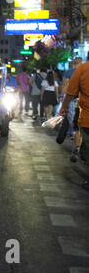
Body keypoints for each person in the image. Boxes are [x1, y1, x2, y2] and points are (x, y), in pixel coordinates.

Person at [60, 60, 89, 190]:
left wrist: (64, 107)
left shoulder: (83, 69)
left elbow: (71, 92)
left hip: (87, 119)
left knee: (88, 150)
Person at [63, 58, 83, 161]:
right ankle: (78, 146)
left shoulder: (70, 72)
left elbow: (66, 87)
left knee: (75, 124)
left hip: (74, 100)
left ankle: (77, 147)